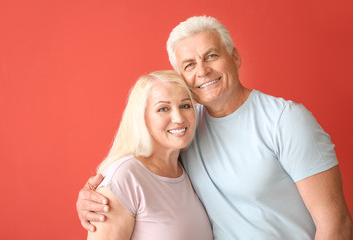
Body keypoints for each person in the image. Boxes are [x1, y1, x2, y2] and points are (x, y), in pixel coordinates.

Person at [77, 16, 352, 239]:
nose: (202, 71)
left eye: (211, 56)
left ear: (235, 57)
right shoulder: (184, 127)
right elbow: (139, 170)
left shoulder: (286, 120)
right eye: (189, 65)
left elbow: (336, 224)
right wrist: (96, 198)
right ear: (182, 76)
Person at [86, 70, 213, 240]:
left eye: (185, 105)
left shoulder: (187, 166)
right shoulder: (124, 176)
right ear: (142, 118)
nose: (178, 118)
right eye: (163, 109)